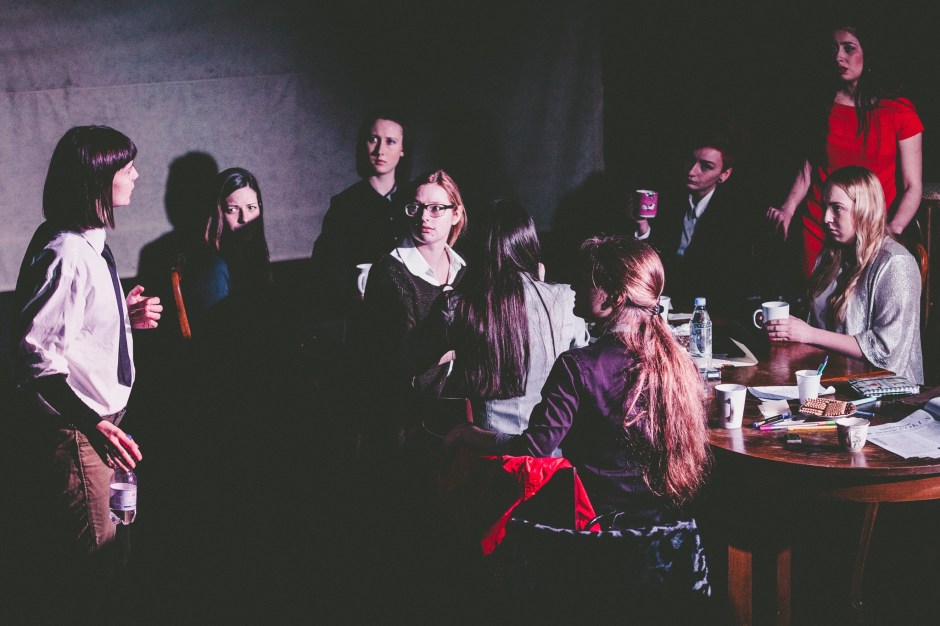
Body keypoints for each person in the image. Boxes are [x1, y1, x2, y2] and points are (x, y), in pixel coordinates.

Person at [445, 236, 710, 526]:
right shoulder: (677, 362)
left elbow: (535, 448)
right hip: (667, 531)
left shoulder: (577, 366)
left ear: (615, 297)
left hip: (596, 529)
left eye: (584, 281)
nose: (573, 286)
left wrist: (470, 433)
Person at [11, 125, 160, 618]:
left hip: (101, 428)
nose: (136, 175)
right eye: (127, 168)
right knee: (93, 565)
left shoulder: (89, 241)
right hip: (81, 432)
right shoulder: (67, 252)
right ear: (97, 179)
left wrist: (121, 316)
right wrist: (93, 425)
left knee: (114, 554)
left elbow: (71, 327)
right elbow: (35, 359)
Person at [406, 199, 589, 435]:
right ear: (529, 243)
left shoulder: (458, 305)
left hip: (485, 443)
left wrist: (464, 345)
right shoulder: (566, 299)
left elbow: (412, 359)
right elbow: (582, 369)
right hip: (550, 445)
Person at [766, 22, 924, 278]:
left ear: (869, 53)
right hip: (820, 226)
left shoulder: (899, 110)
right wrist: (788, 208)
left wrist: (892, 229)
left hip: (871, 232)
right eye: (834, 49)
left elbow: (912, 186)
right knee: (815, 299)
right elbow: (809, 167)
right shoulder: (822, 104)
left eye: (849, 48)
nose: (838, 57)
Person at [764, 166, 923, 384]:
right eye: (825, 207)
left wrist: (808, 334)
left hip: (886, 390)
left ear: (864, 210)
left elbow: (885, 351)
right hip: (834, 380)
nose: (826, 218)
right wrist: (787, 330)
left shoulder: (895, 262)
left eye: (837, 208)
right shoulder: (831, 256)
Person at [633, 127, 757, 313]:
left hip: (709, 308)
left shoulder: (734, 216)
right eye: (690, 160)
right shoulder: (668, 199)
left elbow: (727, 279)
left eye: (706, 166)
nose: (691, 171)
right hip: (663, 299)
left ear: (724, 174)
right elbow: (654, 260)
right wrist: (642, 225)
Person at [310, 111, 412, 321]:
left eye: (390, 141)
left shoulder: (415, 199)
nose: (380, 150)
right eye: (373, 139)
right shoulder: (344, 205)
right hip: (365, 314)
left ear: (403, 149)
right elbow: (328, 270)